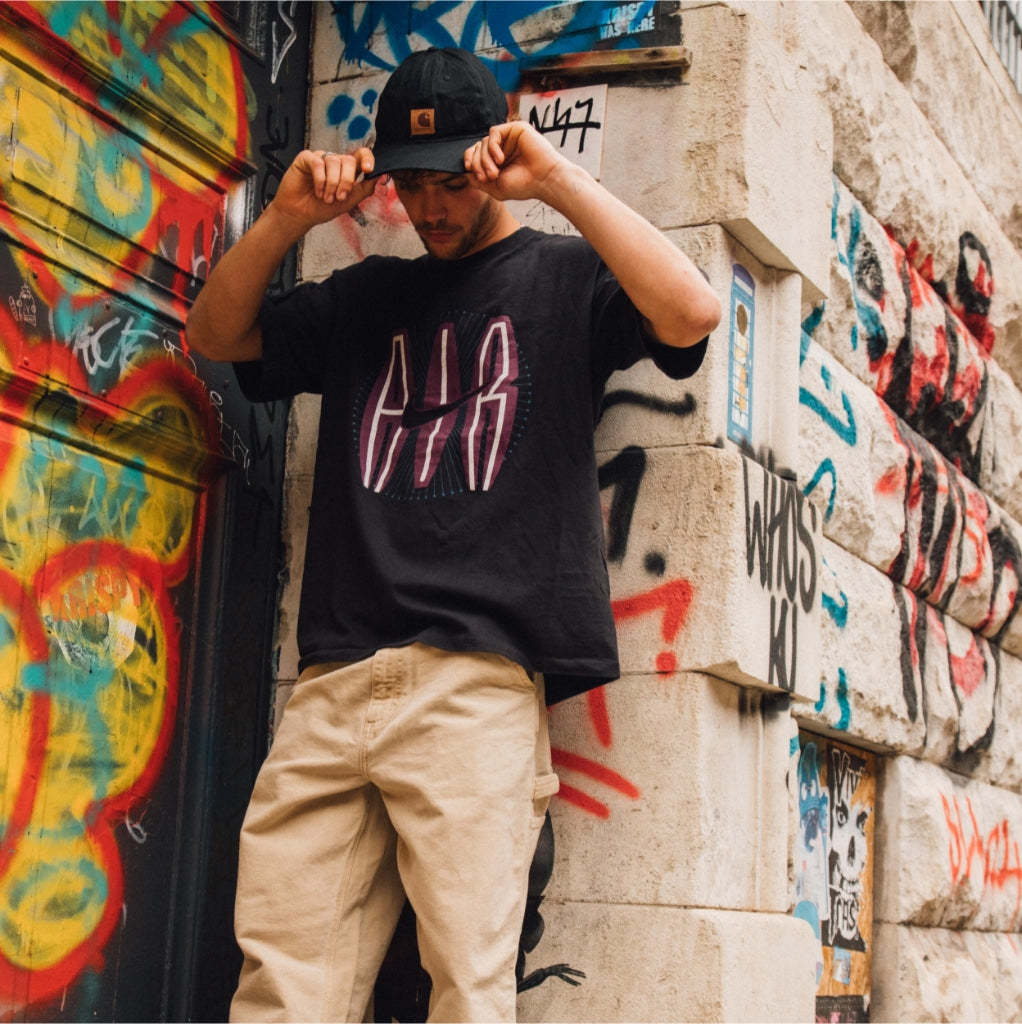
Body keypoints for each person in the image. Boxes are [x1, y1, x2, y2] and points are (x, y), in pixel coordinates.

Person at [186, 46, 720, 1024]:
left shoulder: (563, 279)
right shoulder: (364, 298)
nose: (430, 208)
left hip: (474, 688)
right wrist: (287, 218)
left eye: (449, 183)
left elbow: (693, 311)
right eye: (410, 185)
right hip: (334, 683)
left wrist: (555, 179)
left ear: (490, 161)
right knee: (278, 990)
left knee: (470, 992)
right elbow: (215, 337)